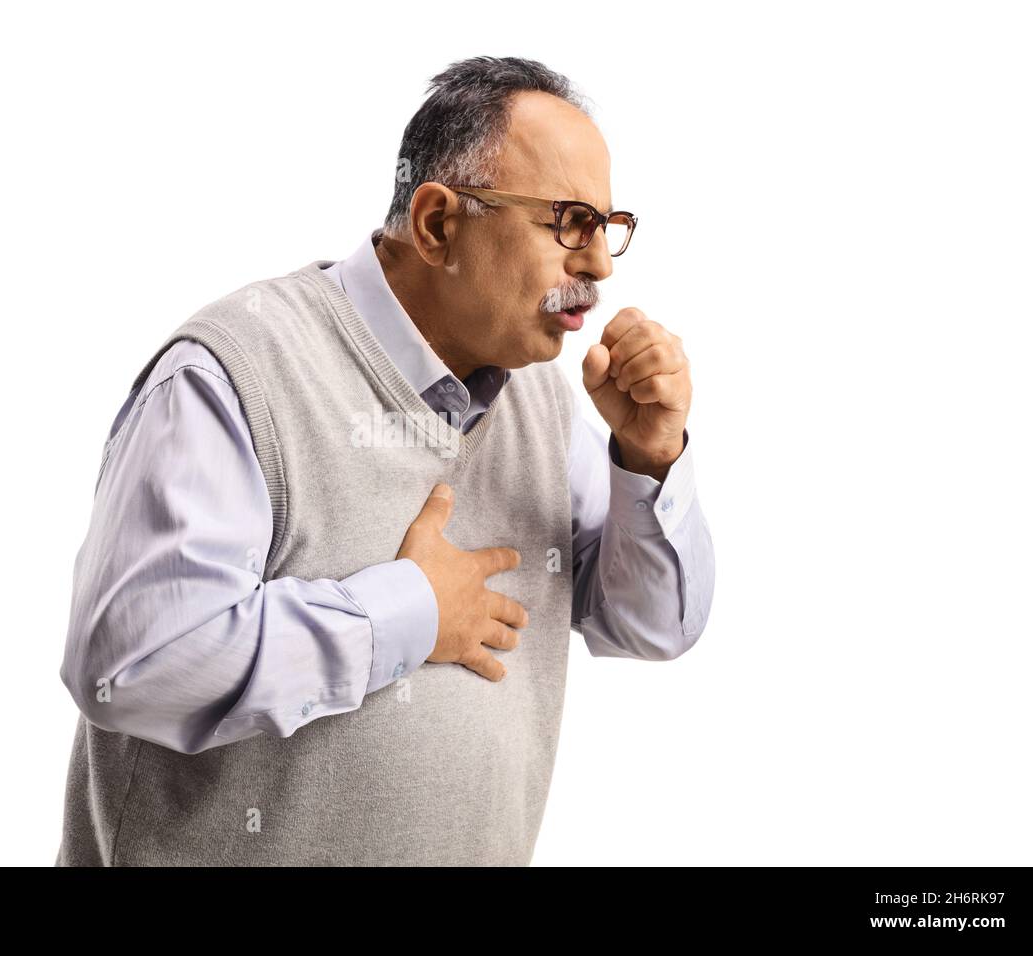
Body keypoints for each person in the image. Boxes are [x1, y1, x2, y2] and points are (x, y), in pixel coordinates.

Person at [56, 55, 715, 866]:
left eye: (608, 229)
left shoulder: (540, 397)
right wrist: (408, 614)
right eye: (568, 223)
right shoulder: (236, 373)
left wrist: (648, 459)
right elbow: (136, 661)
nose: (599, 266)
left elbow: (653, 627)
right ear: (439, 224)